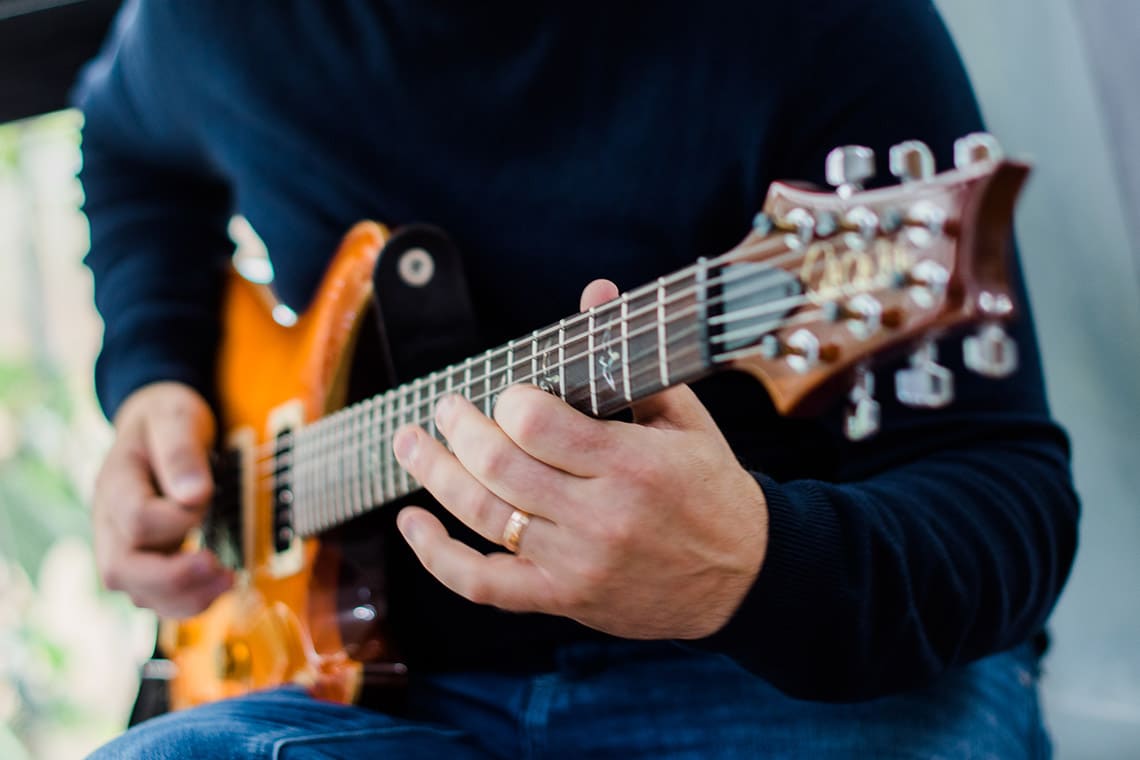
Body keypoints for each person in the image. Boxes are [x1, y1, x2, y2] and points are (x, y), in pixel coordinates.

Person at [77, 1, 1079, 757]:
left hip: (789, 677)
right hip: (399, 693)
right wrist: (155, 374)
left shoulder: (822, 26)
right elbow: (124, 140)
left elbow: (1007, 499)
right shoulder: (216, 24)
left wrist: (751, 567)